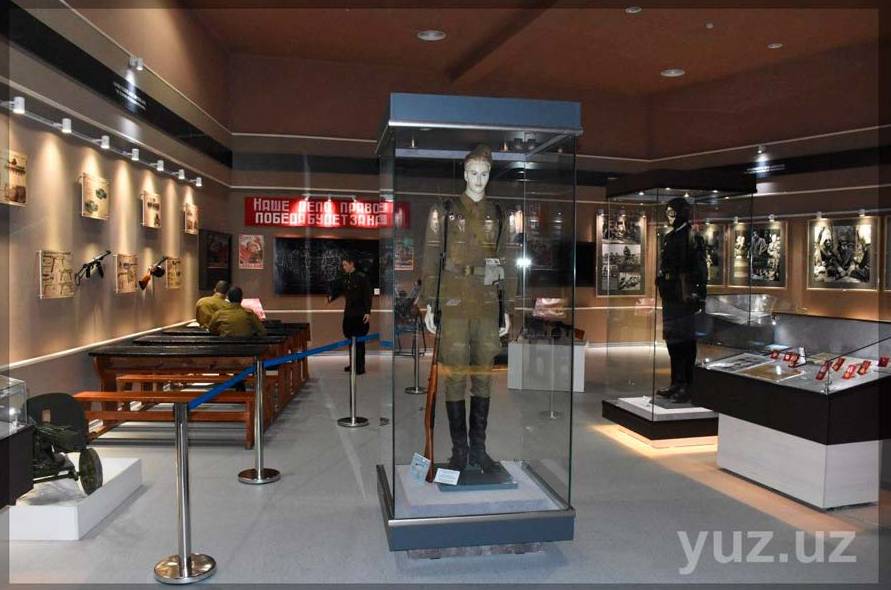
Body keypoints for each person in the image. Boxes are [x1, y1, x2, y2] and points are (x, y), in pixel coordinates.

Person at [418, 144, 514, 474]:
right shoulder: (445, 211)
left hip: (486, 303)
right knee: (456, 376)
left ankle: (479, 451)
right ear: (464, 173)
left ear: (489, 175)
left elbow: (503, 261)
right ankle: (459, 451)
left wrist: (504, 307)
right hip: (454, 302)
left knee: (483, 377)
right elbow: (432, 258)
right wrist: (430, 304)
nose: (478, 179)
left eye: (484, 173)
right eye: (473, 173)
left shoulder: (498, 214)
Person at [655, 197, 707, 404]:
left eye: (673, 212)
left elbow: (700, 269)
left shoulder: (692, 237)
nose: (669, 217)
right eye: (668, 212)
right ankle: (676, 382)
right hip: (671, 295)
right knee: (673, 341)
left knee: (685, 343)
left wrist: (699, 295)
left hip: (684, 298)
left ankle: (688, 385)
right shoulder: (670, 237)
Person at [328, 254, 372, 375]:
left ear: (351, 264)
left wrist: (368, 312)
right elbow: (340, 290)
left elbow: (367, 295)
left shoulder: (362, 277)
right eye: (343, 265)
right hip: (349, 314)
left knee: (359, 342)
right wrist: (331, 297)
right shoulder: (345, 278)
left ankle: (360, 367)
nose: (343, 267)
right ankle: (353, 364)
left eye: (345, 265)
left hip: (360, 314)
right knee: (350, 340)